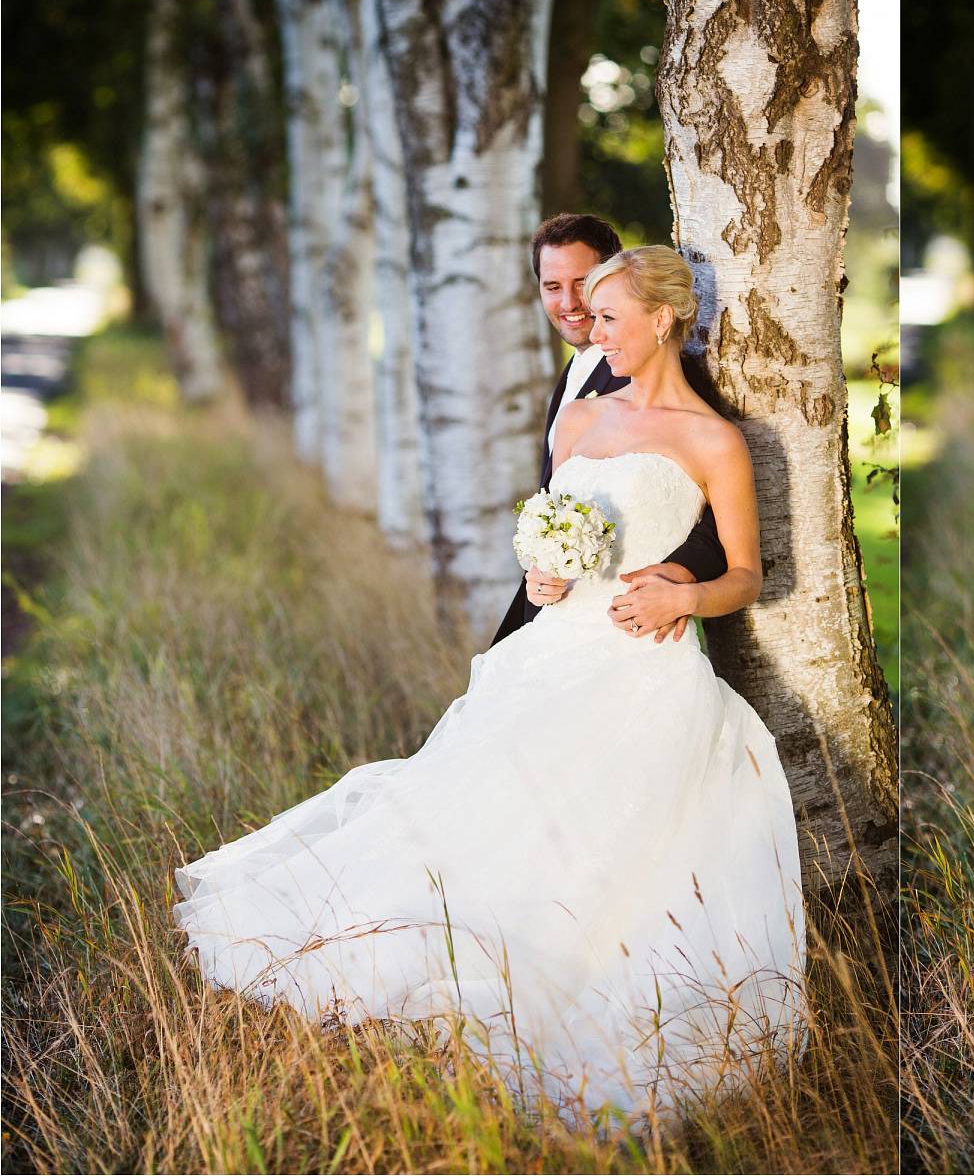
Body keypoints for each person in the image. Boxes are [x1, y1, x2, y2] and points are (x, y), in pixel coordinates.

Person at [173, 246, 805, 1122]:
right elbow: (553, 527)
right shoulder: (581, 420)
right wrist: (544, 573)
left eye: (611, 317)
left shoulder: (712, 440)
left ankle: (565, 993)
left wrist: (688, 593)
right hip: (546, 657)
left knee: (608, 853)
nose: (595, 331)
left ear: (663, 319)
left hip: (644, 673)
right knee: (476, 821)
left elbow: (747, 572)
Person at [491, 212, 727, 648]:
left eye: (582, 283)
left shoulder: (647, 369)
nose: (569, 303)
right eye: (552, 286)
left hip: (633, 628)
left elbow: (706, 500)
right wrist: (541, 567)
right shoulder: (578, 375)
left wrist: (678, 579)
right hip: (554, 617)